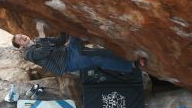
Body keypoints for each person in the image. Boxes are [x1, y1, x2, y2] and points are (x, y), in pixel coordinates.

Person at [12, 32, 146, 75]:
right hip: (66, 63)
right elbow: (44, 51)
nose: (23, 37)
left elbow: (60, 41)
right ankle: (133, 66)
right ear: (20, 46)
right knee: (97, 59)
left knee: (100, 51)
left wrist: (63, 25)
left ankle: (127, 59)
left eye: (21, 35)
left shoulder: (38, 40)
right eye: (20, 39)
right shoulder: (28, 54)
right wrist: (41, 33)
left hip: (68, 51)